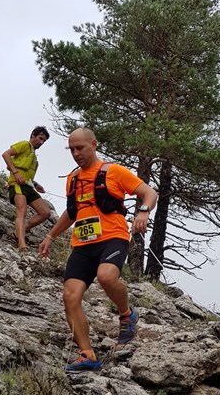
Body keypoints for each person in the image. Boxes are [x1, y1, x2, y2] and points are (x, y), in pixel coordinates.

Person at [39, 127, 157, 372]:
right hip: (82, 245)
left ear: (93, 144)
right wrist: (50, 235)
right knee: (70, 297)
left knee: (106, 276)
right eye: (71, 149)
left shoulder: (112, 172)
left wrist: (143, 212)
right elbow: (72, 212)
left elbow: (148, 192)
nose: (75, 153)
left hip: (112, 237)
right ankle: (88, 355)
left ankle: (126, 314)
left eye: (80, 148)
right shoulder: (73, 179)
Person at [2, 126, 51, 251]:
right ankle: (22, 245)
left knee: (45, 212)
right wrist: (15, 173)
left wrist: (35, 184)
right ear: (32, 135)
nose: (41, 142)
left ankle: (19, 232)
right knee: (22, 212)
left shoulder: (35, 159)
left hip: (28, 187)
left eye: (43, 141)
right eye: (40, 138)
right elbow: (6, 154)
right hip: (17, 185)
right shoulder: (24, 144)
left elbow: (27, 175)